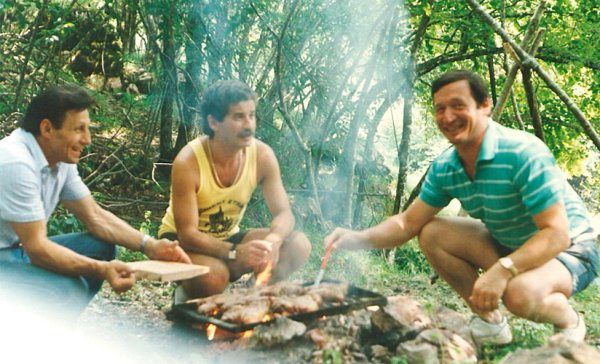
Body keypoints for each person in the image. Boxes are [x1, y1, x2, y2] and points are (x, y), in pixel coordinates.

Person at [324, 70, 598, 344]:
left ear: (485, 107)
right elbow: (407, 223)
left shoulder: (522, 153)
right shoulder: (446, 167)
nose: (448, 117)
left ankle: (569, 323)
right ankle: (490, 323)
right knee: (431, 232)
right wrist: (355, 238)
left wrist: (503, 269)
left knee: (519, 293)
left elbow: (556, 234)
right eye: (440, 109)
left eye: (458, 106)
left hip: (570, 248)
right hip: (509, 243)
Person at [0, 85, 191, 317]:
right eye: (79, 129)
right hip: (11, 254)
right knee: (70, 290)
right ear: (47, 128)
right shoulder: (16, 163)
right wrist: (102, 270)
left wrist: (150, 246)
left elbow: (95, 216)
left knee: (101, 247)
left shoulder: (59, 159)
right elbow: (38, 249)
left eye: (87, 129)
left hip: (14, 251)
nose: (88, 139)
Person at [158, 80, 311, 300]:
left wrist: (274, 241)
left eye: (252, 115)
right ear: (214, 122)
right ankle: (187, 295)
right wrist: (234, 252)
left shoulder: (262, 156)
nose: (249, 125)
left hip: (227, 238)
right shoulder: (188, 161)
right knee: (215, 276)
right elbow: (188, 234)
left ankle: (251, 298)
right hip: (180, 243)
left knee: (298, 245)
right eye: (239, 117)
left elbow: (284, 214)